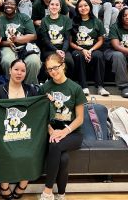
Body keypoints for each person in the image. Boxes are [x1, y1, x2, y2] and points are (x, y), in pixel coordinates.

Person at [39, 53, 86, 200]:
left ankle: (47, 192)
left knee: (55, 145)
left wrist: (64, 132)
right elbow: (41, 115)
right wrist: (50, 130)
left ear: (63, 65)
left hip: (73, 133)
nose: (53, 71)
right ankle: (61, 194)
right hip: (51, 131)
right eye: (49, 69)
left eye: (55, 67)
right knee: (63, 158)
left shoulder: (75, 88)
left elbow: (80, 119)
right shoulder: (45, 87)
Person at [0, 59, 39, 199]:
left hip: (26, 134)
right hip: (3, 134)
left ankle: (23, 184)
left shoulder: (31, 90)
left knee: (31, 152)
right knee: (4, 152)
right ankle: (3, 185)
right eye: (16, 69)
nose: (19, 73)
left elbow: (37, 112)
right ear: (10, 71)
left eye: (23, 70)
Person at [70, 0, 110, 96]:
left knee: (99, 55)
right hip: (78, 49)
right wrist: (82, 49)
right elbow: (70, 42)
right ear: (77, 9)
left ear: (90, 7)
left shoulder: (97, 22)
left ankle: (100, 87)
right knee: (78, 55)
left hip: (93, 48)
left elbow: (101, 40)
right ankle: (83, 86)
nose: (83, 8)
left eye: (85, 5)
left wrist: (91, 50)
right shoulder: (72, 22)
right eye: (80, 6)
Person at [0, 0, 41, 84]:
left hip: (25, 46)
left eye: (12, 4)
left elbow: (33, 36)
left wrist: (16, 39)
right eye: (6, 3)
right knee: (7, 60)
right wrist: (8, 43)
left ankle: (30, 86)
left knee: (34, 61)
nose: (9, 5)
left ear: (16, 6)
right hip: (8, 46)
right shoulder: (0, 20)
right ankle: (11, 85)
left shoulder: (24, 17)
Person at [40, 0, 74, 78]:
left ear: (60, 8)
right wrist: (56, 50)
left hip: (63, 49)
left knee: (69, 61)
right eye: (52, 4)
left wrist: (63, 51)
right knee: (52, 61)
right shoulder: (44, 20)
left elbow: (67, 39)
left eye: (57, 5)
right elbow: (46, 40)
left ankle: (67, 82)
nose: (54, 7)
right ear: (48, 6)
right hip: (49, 49)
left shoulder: (66, 20)